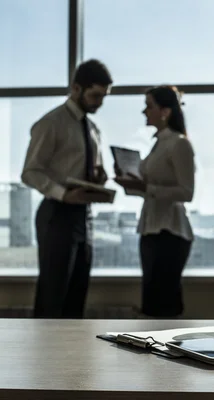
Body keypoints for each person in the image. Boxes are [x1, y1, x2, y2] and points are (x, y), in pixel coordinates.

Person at [21, 59, 113, 318]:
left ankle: (72, 359)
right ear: (75, 88)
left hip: (84, 216)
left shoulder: (93, 128)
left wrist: (98, 178)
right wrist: (64, 194)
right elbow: (30, 171)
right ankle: (45, 359)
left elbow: (89, 169)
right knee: (53, 295)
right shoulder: (52, 123)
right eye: (95, 95)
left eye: (103, 97)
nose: (99, 102)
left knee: (76, 296)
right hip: (56, 214)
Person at [114, 85, 195, 318]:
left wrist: (145, 187)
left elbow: (186, 192)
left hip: (170, 232)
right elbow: (152, 191)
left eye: (149, 106)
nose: (144, 111)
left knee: (163, 303)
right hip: (152, 229)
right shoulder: (159, 143)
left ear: (165, 111)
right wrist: (133, 184)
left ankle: (166, 351)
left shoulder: (179, 143)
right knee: (151, 303)